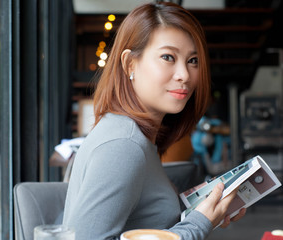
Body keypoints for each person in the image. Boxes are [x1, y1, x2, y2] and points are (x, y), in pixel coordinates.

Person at [63, 2, 246, 240]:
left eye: (193, 60)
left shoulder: (133, 133)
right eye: (168, 57)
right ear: (130, 64)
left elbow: (144, 222)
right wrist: (198, 224)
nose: (184, 75)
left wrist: (203, 210)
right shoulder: (124, 145)